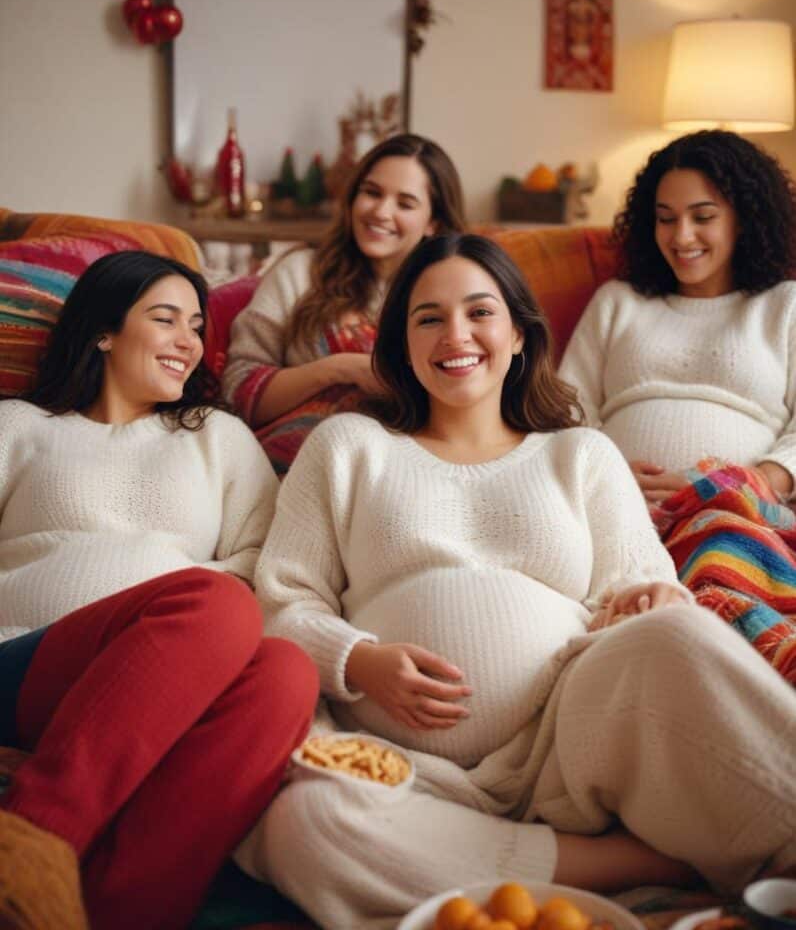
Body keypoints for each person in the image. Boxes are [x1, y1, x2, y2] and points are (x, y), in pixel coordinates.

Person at [234, 233, 796, 930]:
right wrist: (359, 661)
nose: (456, 335)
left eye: (479, 312)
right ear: (402, 345)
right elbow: (281, 602)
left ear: (521, 335)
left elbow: (643, 587)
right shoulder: (348, 447)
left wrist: (649, 602)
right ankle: (639, 863)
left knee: (679, 632)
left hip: (568, 743)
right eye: (429, 318)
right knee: (300, 823)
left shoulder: (581, 453)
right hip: (397, 766)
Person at [0, 252, 319, 930]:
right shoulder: (23, 427)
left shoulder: (218, 438)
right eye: (165, 319)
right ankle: (27, 841)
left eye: (197, 326)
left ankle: (121, 913)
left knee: (286, 671)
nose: (189, 342)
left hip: (169, 671)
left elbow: (264, 564)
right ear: (104, 331)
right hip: (22, 665)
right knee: (215, 601)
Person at [559, 130, 796, 683]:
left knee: (719, 541)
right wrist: (607, 475)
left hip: (737, 512)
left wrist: (757, 477)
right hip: (620, 511)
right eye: (666, 218)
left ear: (744, 218)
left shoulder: (783, 306)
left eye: (702, 216)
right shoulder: (618, 302)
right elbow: (563, 410)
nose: (681, 235)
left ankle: (744, 678)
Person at [222, 133, 466, 475]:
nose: (381, 211)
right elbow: (240, 391)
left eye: (405, 203)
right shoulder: (301, 272)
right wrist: (341, 368)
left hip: (411, 475)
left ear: (433, 222)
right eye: (372, 192)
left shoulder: (453, 292)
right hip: (289, 469)